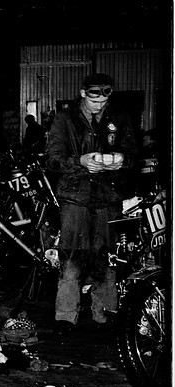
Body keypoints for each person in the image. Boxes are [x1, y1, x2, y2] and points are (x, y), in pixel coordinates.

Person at [46, 73, 137, 335]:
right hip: (76, 197)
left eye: (104, 101)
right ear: (83, 93)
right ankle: (65, 316)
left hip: (108, 197)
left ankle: (105, 312)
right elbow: (53, 159)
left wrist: (121, 159)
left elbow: (132, 153)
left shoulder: (119, 118)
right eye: (94, 100)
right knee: (72, 255)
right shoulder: (65, 119)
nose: (99, 106)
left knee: (107, 256)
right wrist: (81, 162)